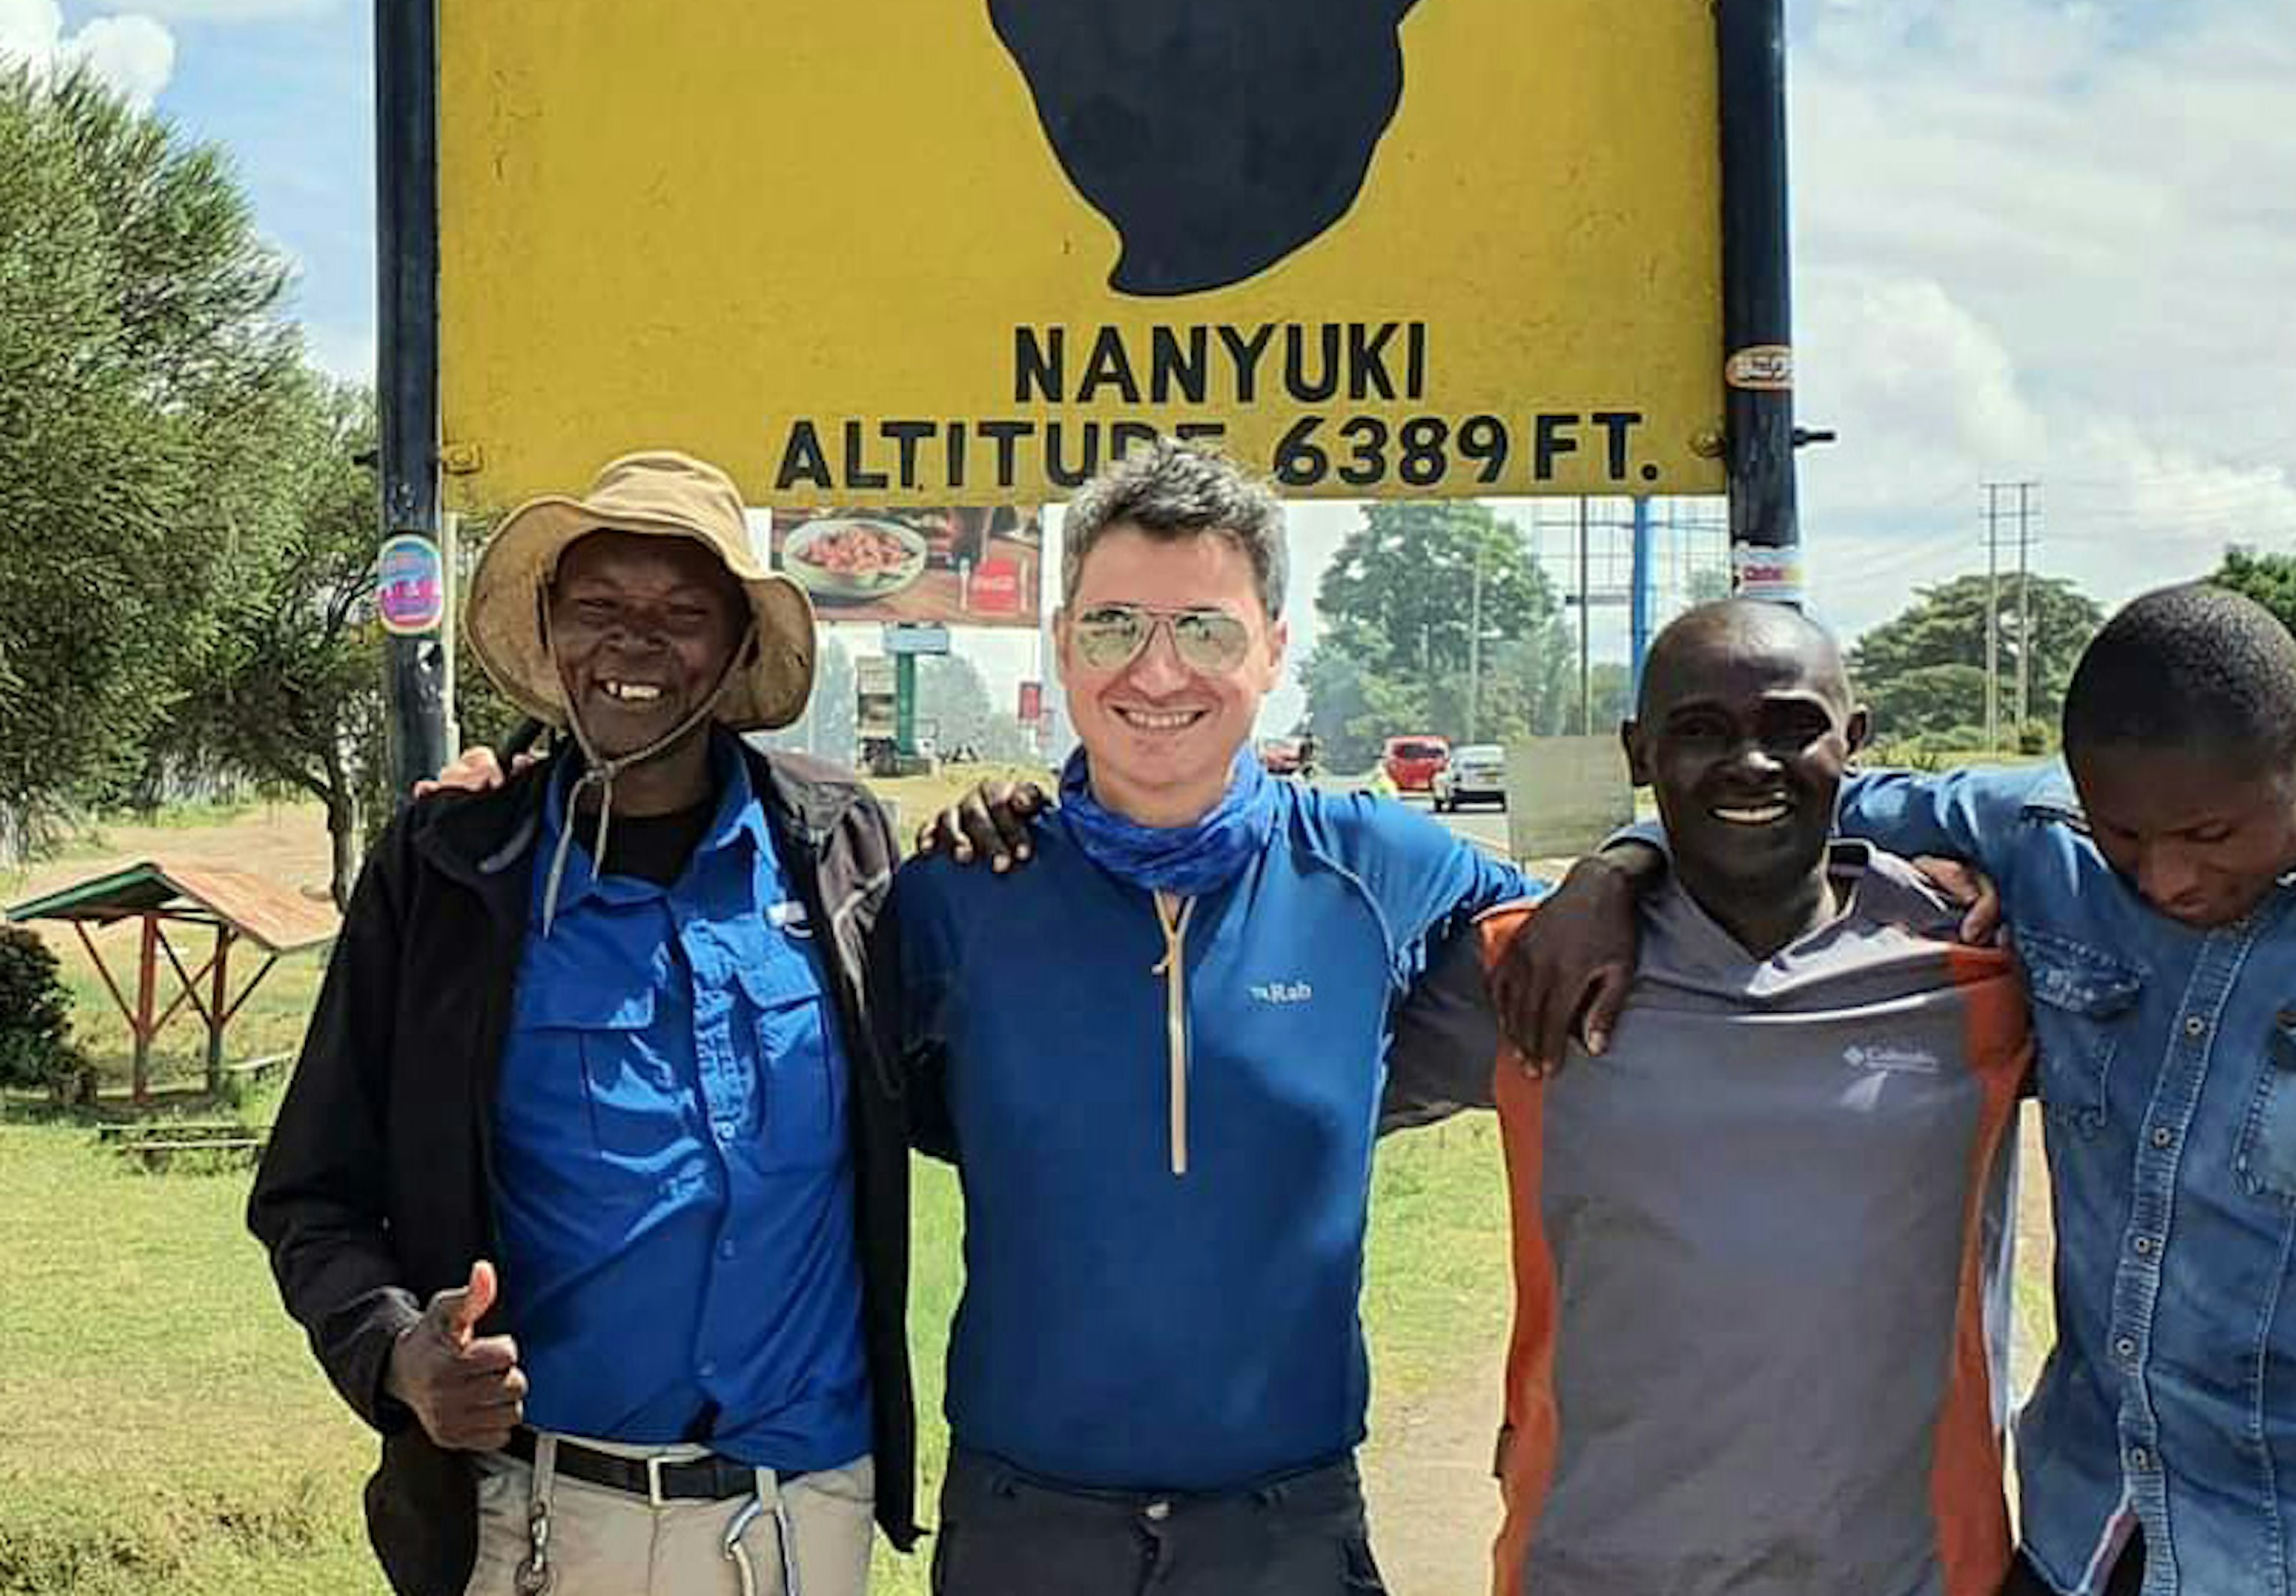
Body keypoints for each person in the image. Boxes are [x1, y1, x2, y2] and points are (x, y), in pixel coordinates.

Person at [1507, 585, 2296, 1596]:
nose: (2168, 878)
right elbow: (1788, 790)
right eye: (2126, 837)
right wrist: (1620, 864)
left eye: (2211, 834)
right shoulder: (2050, 842)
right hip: (2088, 1547)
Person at [251, 451, 917, 1596]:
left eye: (682, 613)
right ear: (552, 634)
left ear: (741, 648)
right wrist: (400, 1353)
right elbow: (310, 1190)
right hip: (532, 1517)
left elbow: (959, 1088)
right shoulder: (450, 868)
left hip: (802, 1515)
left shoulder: (844, 850)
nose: (635, 643)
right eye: (599, 607)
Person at [888, 439, 1537, 1595]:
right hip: (1023, 1524)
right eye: (1113, 625)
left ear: (1276, 649)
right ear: (1061, 642)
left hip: (1285, 1525)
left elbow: (1584, 928)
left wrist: (1635, 855)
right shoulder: (958, 889)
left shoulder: (1372, 865)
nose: (1156, 671)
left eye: (1206, 628)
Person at [1380, 600, 2032, 1596]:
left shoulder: (1985, 961)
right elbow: (1276, 1077)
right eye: (1700, 732)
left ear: (1854, 744)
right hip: (1588, 1570)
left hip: (1913, 1574)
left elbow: (2179, 798)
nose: (1751, 764)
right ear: (1639, 752)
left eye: (1790, 728)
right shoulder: (1528, 972)